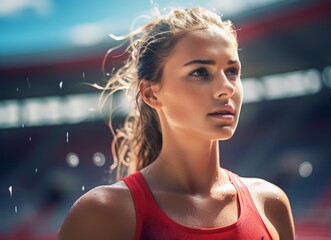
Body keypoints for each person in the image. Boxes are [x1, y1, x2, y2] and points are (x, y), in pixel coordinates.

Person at [58, 7, 295, 240]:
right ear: (151, 94)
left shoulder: (270, 205)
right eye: (200, 72)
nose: (227, 88)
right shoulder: (103, 213)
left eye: (232, 71)